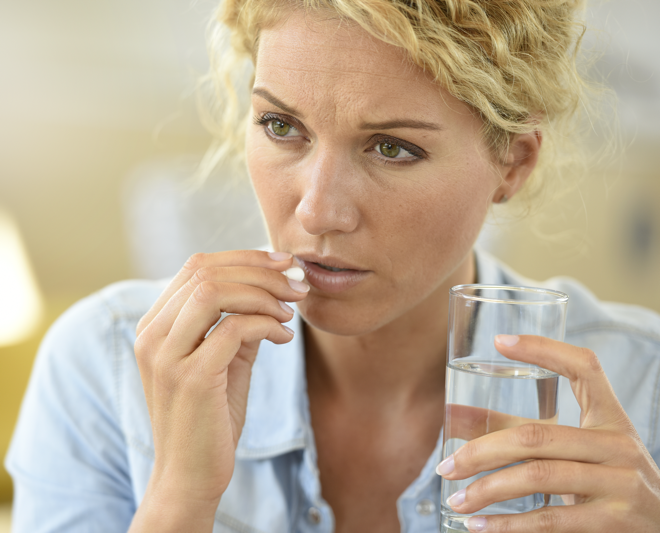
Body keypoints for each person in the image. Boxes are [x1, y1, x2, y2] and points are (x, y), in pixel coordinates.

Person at [6, 1, 660, 532]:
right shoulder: (101, 365)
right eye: (282, 126)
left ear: (512, 163)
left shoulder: (644, 389)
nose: (318, 212)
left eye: (392, 147)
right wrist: (179, 500)